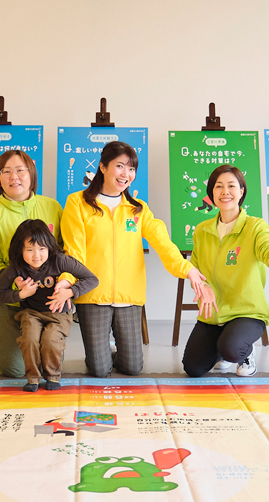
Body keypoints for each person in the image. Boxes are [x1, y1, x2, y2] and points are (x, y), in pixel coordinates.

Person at [61, 141, 210, 377]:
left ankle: (108, 351)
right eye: (120, 166)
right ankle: (100, 354)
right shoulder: (78, 202)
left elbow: (162, 243)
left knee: (132, 367)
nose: (126, 174)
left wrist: (187, 269)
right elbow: (73, 250)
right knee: (99, 370)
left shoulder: (138, 208)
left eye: (131, 169)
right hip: (92, 294)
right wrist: (67, 282)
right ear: (102, 167)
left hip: (129, 296)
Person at [183, 165, 269, 377]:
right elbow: (197, 269)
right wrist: (203, 286)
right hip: (213, 315)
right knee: (193, 368)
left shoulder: (255, 227)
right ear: (211, 193)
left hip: (246, 313)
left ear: (241, 191)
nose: (225, 192)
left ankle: (245, 353)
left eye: (231, 186)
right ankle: (222, 352)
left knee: (232, 348)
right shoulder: (202, 230)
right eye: (218, 186)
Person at [0, 150, 63, 378]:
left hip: (45, 297)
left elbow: (64, 251)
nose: (14, 177)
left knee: (47, 363)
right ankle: (5, 349)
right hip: (9, 298)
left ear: (31, 174)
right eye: (6, 171)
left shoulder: (53, 208)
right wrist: (17, 284)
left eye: (20, 170)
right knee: (15, 370)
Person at [0, 219, 98, 392]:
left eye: (42, 249)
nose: (37, 255)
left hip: (59, 313)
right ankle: (33, 378)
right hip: (31, 312)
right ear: (20, 249)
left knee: (51, 340)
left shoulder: (60, 260)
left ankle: (52, 376)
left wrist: (70, 292)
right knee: (29, 339)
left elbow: (92, 279)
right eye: (30, 249)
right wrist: (21, 294)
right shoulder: (16, 267)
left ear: (49, 247)